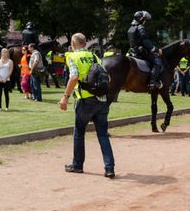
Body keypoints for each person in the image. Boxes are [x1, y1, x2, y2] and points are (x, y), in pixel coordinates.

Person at [59, 33, 115, 178]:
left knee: (79, 132)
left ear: (72, 42)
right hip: (102, 100)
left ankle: (77, 165)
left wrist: (65, 97)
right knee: (103, 134)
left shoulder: (72, 56)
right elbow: (107, 77)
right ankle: (109, 168)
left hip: (85, 100)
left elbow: (74, 77)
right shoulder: (94, 56)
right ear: (84, 43)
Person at [127, 10, 163, 90]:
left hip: (132, 51)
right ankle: (152, 82)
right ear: (141, 19)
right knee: (158, 63)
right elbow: (145, 41)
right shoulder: (140, 28)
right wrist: (156, 50)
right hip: (141, 52)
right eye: (145, 19)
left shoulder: (131, 28)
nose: (145, 21)